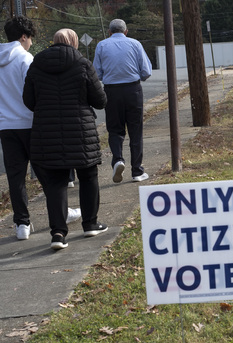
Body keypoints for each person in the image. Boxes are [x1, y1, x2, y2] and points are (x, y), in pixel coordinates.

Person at [23, 28, 108, 250]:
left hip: (46, 131)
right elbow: (100, 100)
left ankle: (58, 234)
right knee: (88, 175)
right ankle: (90, 223)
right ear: (74, 42)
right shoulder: (83, 64)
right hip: (81, 131)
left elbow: (29, 101)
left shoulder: (36, 65)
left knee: (55, 183)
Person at [93, 19, 152, 183]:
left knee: (114, 129)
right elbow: (146, 71)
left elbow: (96, 73)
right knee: (135, 130)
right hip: (133, 89)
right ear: (126, 31)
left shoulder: (102, 45)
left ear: (109, 32)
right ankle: (137, 171)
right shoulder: (135, 44)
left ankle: (118, 159)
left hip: (111, 91)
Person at [0, 16, 36, 240]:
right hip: (28, 122)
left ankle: (21, 223)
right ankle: (59, 214)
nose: (31, 42)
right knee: (46, 171)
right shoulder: (25, 59)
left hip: (5, 125)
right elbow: (32, 92)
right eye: (30, 37)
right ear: (24, 36)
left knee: (15, 175)